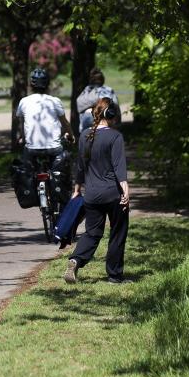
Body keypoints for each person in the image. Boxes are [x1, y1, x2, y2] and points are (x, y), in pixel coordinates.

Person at [63, 97, 131, 284]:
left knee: (92, 233)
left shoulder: (85, 135)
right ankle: (114, 276)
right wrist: (125, 190)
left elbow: (80, 167)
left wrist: (77, 189)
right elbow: (119, 168)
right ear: (110, 115)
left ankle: (76, 259)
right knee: (118, 233)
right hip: (113, 194)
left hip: (92, 195)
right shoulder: (115, 136)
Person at [15, 68, 75, 172]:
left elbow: (22, 124)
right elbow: (64, 122)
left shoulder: (24, 102)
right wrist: (70, 135)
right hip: (54, 148)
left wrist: (22, 138)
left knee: (27, 171)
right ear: (48, 84)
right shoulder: (55, 101)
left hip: (31, 149)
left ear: (31, 85)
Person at [76, 67, 121, 133]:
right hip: (104, 122)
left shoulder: (87, 90)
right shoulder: (108, 90)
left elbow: (79, 104)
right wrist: (118, 123)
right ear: (102, 79)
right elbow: (116, 106)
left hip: (87, 119)